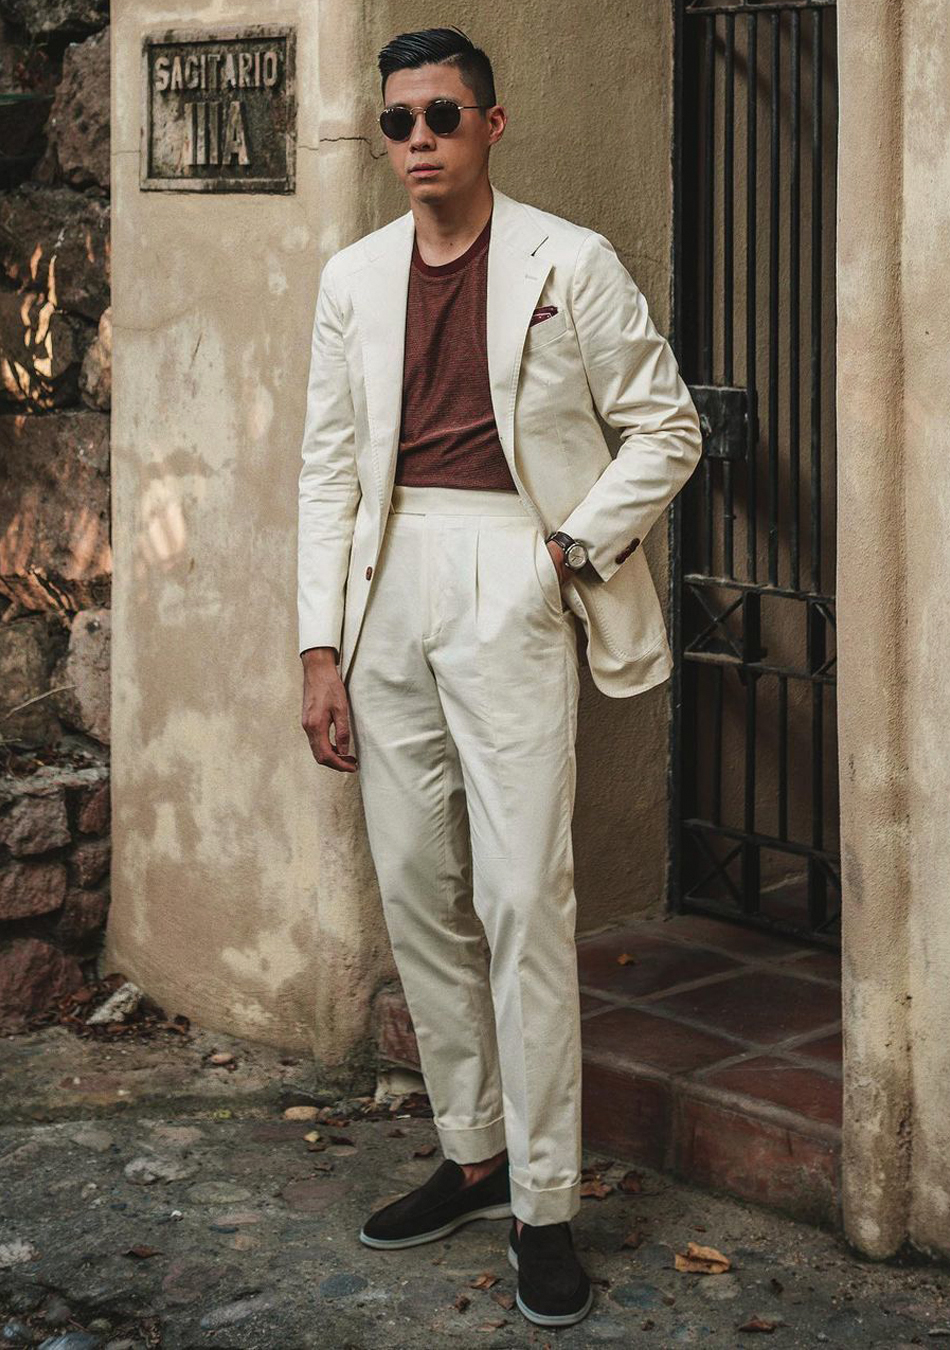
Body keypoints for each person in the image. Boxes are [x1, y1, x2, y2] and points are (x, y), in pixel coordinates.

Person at [297, 25, 703, 1329]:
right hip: (384, 584)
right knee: (418, 887)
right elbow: (323, 472)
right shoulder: (353, 279)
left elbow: (666, 427)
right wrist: (319, 643)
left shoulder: (565, 263)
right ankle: (471, 1151)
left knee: (524, 894)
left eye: (441, 117)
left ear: (492, 124)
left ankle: (544, 1201)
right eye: (399, 120)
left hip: (511, 574)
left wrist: (567, 550)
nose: (418, 139)